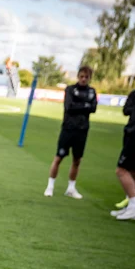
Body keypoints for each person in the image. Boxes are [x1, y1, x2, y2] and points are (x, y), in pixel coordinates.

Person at [44, 66, 97, 198]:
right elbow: (69, 107)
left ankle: (71, 188)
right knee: (58, 158)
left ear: (90, 78)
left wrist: (81, 106)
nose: (83, 79)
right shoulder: (70, 89)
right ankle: (50, 186)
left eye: (86, 77)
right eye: (81, 76)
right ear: (78, 76)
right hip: (68, 128)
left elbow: (93, 108)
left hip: (82, 130)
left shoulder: (92, 92)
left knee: (77, 160)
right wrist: (85, 105)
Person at [111, 88, 135, 220]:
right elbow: (126, 110)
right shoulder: (134, 93)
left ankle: (134, 205)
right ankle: (133, 207)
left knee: (121, 170)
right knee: (134, 171)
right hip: (131, 133)